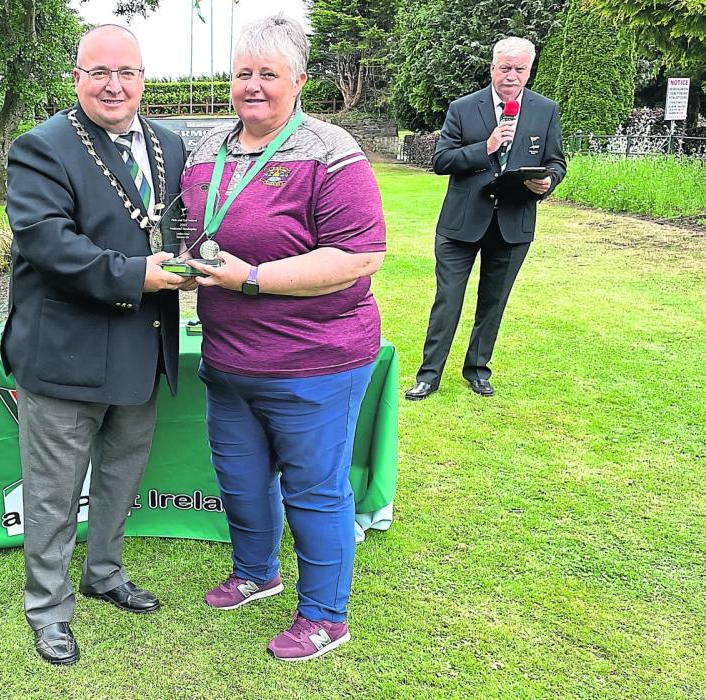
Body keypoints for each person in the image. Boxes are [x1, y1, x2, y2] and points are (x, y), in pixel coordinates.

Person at [179, 13, 386, 662]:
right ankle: (256, 573)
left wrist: (253, 279)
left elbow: (359, 256)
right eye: (244, 73)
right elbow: (192, 228)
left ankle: (325, 616)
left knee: (315, 490)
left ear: (298, 80)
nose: (254, 86)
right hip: (230, 360)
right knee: (240, 478)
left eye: (269, 74)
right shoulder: (208, 147)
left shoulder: (331, 152)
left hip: (314, 364)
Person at [1, 24, 189, 665]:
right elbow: (47, 243)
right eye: (100, 71)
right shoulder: (41, 147)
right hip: (67, 356)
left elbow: (180, 228)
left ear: (143, 78)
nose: (115, 85)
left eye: (128, 72)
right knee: (53, 493)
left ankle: (104, 572)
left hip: (143, 347)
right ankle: (47, 610)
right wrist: (138, 274)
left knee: (121, 477)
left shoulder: (169, 142)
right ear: (76, 76)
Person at [406, 36, 566, 401]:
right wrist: (487, 147)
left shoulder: (545, 110)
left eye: (519, 69)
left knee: (494, 301)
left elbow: (557, 161)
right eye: (505, 68)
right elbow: (441, 161)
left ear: (529, 70)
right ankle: (429, 375)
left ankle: (477, 370)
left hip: (514, 223)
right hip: (461, 224)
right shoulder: (464, 108)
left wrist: (549, 180)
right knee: (448, 300)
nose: (512, 76)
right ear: (492, 67)